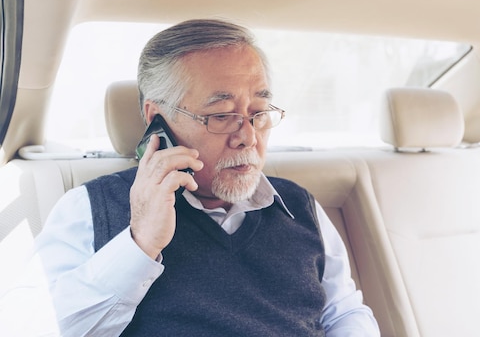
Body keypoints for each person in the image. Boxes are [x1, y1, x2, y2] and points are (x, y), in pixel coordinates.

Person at [31, 19, 380, 336]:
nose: (249, 136)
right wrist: (140, 242)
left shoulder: (300, 206)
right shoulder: (88, 210)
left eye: (258, 113)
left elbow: (344, 313)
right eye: (222, 115)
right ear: (157, 119)